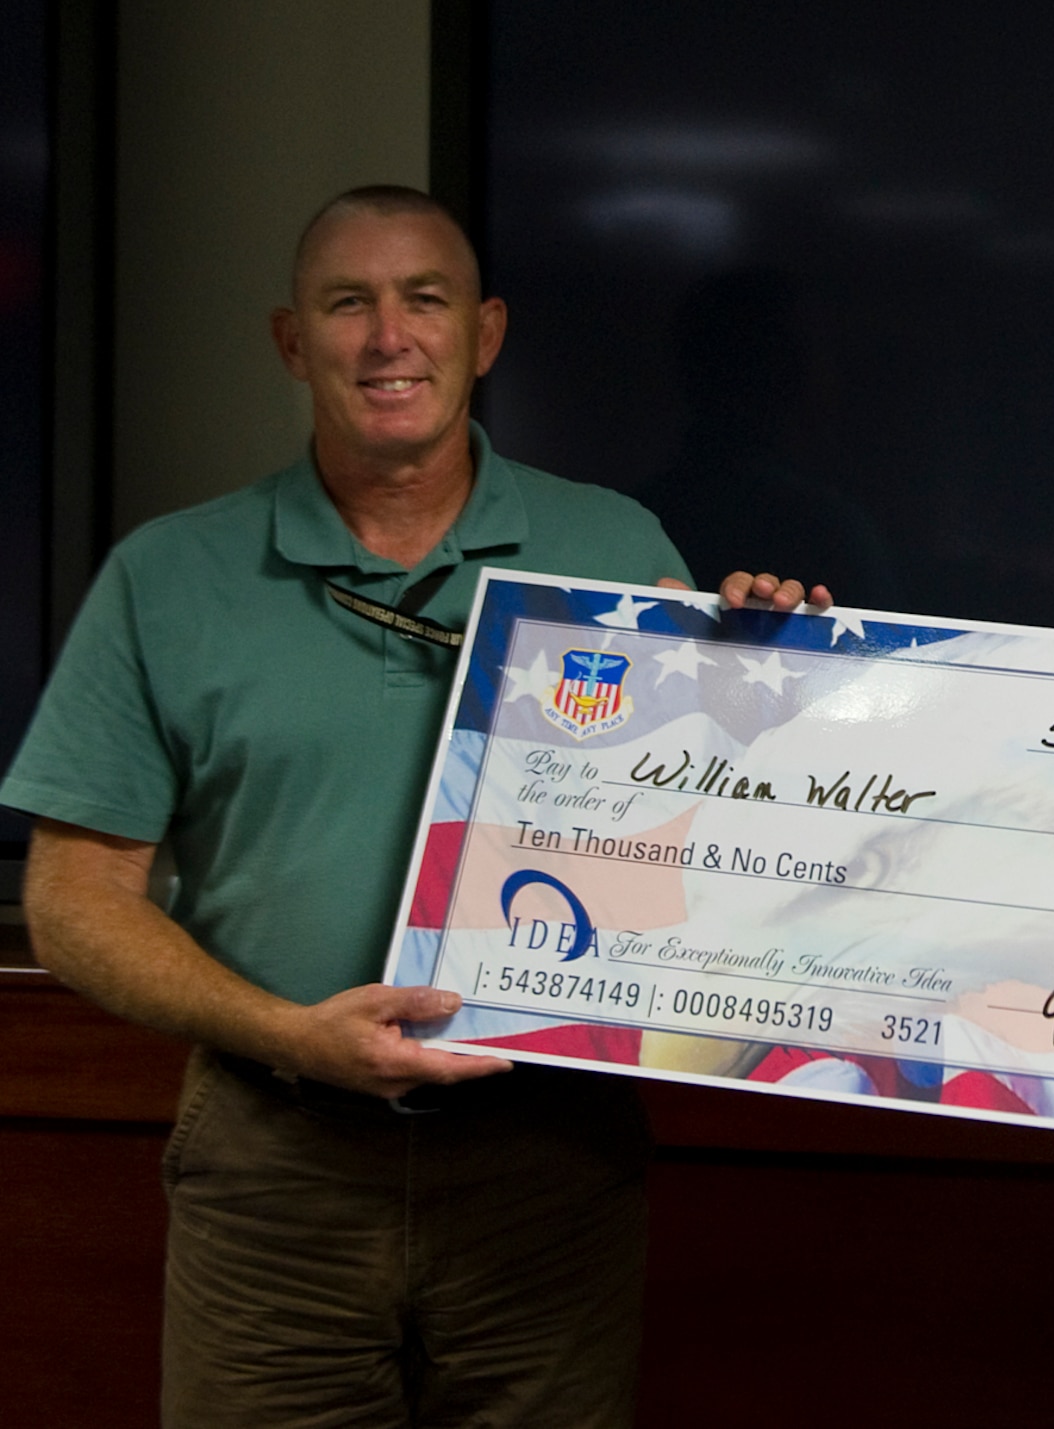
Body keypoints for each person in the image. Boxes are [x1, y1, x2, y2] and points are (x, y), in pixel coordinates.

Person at [1, 185, 828, 1428]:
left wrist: (790, 701)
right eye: (350, 304)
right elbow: (71, 901)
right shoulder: (167, 577)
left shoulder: (613, 550)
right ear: (294, 341)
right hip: (272, 1169)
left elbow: (727, 852)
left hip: (548, 1162)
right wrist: (288, 1034)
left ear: (483, 334)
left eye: (424, 300)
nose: (390, 336)